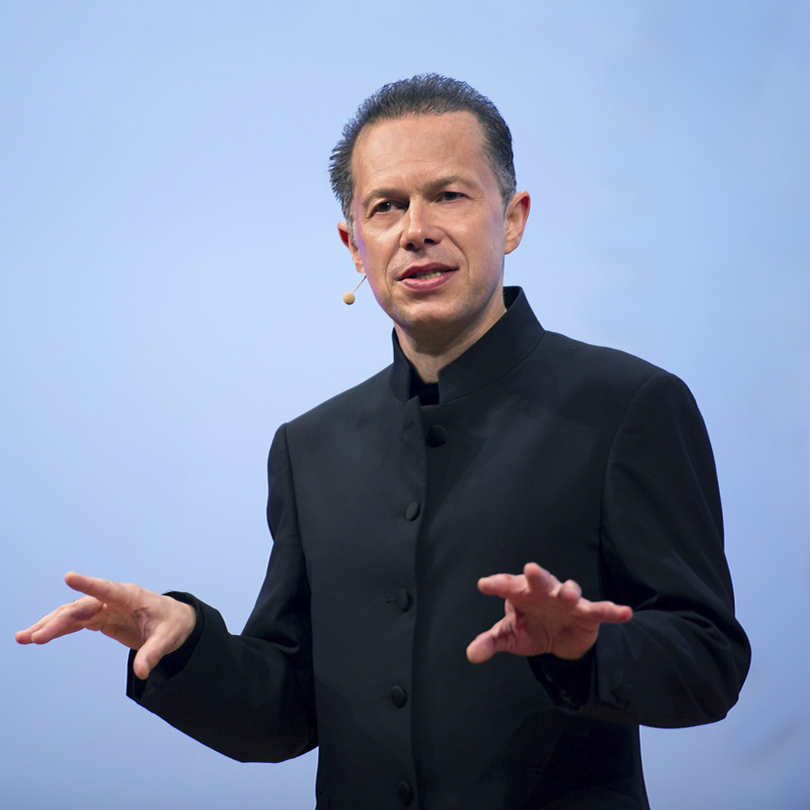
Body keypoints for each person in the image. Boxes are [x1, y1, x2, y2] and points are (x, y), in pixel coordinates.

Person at [17, 75, 750, 809]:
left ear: (513, 219)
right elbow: (287, 712)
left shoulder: (628, 405)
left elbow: (710, 661)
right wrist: (187, 644)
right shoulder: (309, 447)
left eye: (449, 195)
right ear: (354, 246)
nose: (415, 229)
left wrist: (587, 649)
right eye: (386, 206)